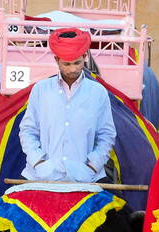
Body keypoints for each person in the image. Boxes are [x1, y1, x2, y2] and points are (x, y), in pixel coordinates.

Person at [18, 29, 116, 184]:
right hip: (41, 175)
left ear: (85, 57)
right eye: (67, 64)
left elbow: (107, 134)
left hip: (86, 176)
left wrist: (92, 166)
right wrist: (39, 163)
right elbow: (28, 131)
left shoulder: (98, 92)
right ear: (57, 60)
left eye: (77, 63)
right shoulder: (41, 89)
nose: (73, 69)